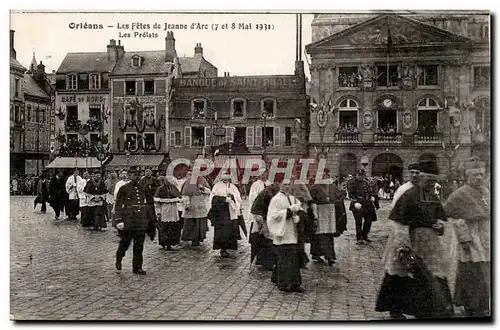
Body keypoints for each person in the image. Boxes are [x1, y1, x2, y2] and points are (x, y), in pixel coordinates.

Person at [375, 160, 453, 319]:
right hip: (408, 238)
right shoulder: (408, 194)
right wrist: (403, 245)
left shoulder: (432, 195)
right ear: (422, 178)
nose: (431, 183)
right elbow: (399, 222)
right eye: (429, 180)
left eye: (434, 180)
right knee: (400, 272)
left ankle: (429, 308)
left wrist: (439, 226)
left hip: (430, 243)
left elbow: (439, 217)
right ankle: (395, 308)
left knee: (431, 273)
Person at [443, 157, 490, 317]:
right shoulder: (459, 194)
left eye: (481, 175)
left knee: (484, 271)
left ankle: (478, 303)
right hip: (469, 238)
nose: (478, 178)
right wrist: (465, 239)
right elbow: (454, 217)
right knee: (471, 272)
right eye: (475, 175)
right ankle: (472, 305)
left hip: (485, 236)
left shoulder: (485, 191)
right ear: (468, 176)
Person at [115, 166, 156, 275]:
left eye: (138, 175)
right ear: (129, 176)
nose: (137, 177)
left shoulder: (143, 188)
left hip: (140, 221)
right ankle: (119, 258)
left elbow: (148, 203)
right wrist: (119, 220)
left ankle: (137, 267)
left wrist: (149, 220)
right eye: (134, 175)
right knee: (125, 243)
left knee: (139, 245)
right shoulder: (124, 188)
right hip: (129, 220)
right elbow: (118, 205)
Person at [267, 181, 305, 293]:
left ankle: (295, 283)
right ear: (280, 185)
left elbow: (300, 210)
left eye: (289, 184)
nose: (287, 186)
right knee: (284, 260)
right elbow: (273, 217)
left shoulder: (293, 198)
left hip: (292, 233)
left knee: (294, 260)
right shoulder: (276, 200)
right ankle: (283, 283)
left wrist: (299, 216)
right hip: (282, 234)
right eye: (284, 184)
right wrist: (288, 211)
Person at [309, 169, 345, 266]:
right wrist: (315, 214)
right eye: (323, 176)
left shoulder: (332, 187)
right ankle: (329, 256)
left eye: (326, 175)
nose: (325, 177)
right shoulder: (314, 187)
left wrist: (340, 196)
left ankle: (316, 254)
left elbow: (339, 196)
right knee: (322, 234)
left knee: (328, 234)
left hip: (330, 212)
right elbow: (311, 200)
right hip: (320, 211)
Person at [208, 177, 242, 258]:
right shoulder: (216, 186)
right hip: (220, 212)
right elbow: (213, 198)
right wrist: (223, 199)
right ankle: (222, 249)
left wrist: (232, 197)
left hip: (230, 210)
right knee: (221, 231)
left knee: (230, 229)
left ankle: (229, 246)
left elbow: (238, 197)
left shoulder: (233, 187)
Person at [250, 182, 280, 270]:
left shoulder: (271, 191)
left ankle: (262, 260)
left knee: (265, 238)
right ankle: (266, 262)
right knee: (266, 237)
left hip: (262, 215)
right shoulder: (269, 194)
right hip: (260, 216)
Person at [348, 169, 379, 245]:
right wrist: (355, 202)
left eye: (362, 174)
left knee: (369, 221)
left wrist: (372, 197)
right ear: (357, 175)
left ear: (364, 175)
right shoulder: (352, 182)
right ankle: (359, 238)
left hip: (368, 204)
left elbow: (370, 191)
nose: (361, 176)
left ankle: (365, 236)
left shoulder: (366, 182)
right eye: (359, 174)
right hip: (358, 205)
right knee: (358, 222)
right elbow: (350, 194)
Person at [180, 171, 211, 246]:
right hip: (192, 204)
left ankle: (199, 238)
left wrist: (203, 188)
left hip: (201, 204)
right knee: (192, 223)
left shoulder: (202, 180)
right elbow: (185, 194)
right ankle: (193, 239)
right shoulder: (188, 182)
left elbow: (209, 191)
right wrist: (187, 204)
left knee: (200, 223)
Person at [154, 176, 183, 250]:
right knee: (165, 228)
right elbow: (157, 202)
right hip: (164, 210)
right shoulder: (160, 189)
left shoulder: (174, 188)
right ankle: (165, 243)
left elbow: (179, 198)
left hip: (173, 210)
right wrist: (158, 213)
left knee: (173, 227)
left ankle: (171, 243)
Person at [140, 167, 160, 240]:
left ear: (151, 172)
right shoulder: (142, 180)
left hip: (152, 198)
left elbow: (157, 188)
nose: (147, 173)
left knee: (152, 214)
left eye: (149, 171)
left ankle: (152, 228)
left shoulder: (154, 179)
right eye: (146, 171)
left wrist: (151, 188)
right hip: (145, 199)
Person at [113, 169, 130, 235]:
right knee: (120, 216)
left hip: (128, 202)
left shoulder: (130, 182)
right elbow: (116, 193)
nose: (124, 175)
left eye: (125, 174)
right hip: (121, 202)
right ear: (120, 175)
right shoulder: (118, 184)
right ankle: (120, 230)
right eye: (123, 174)